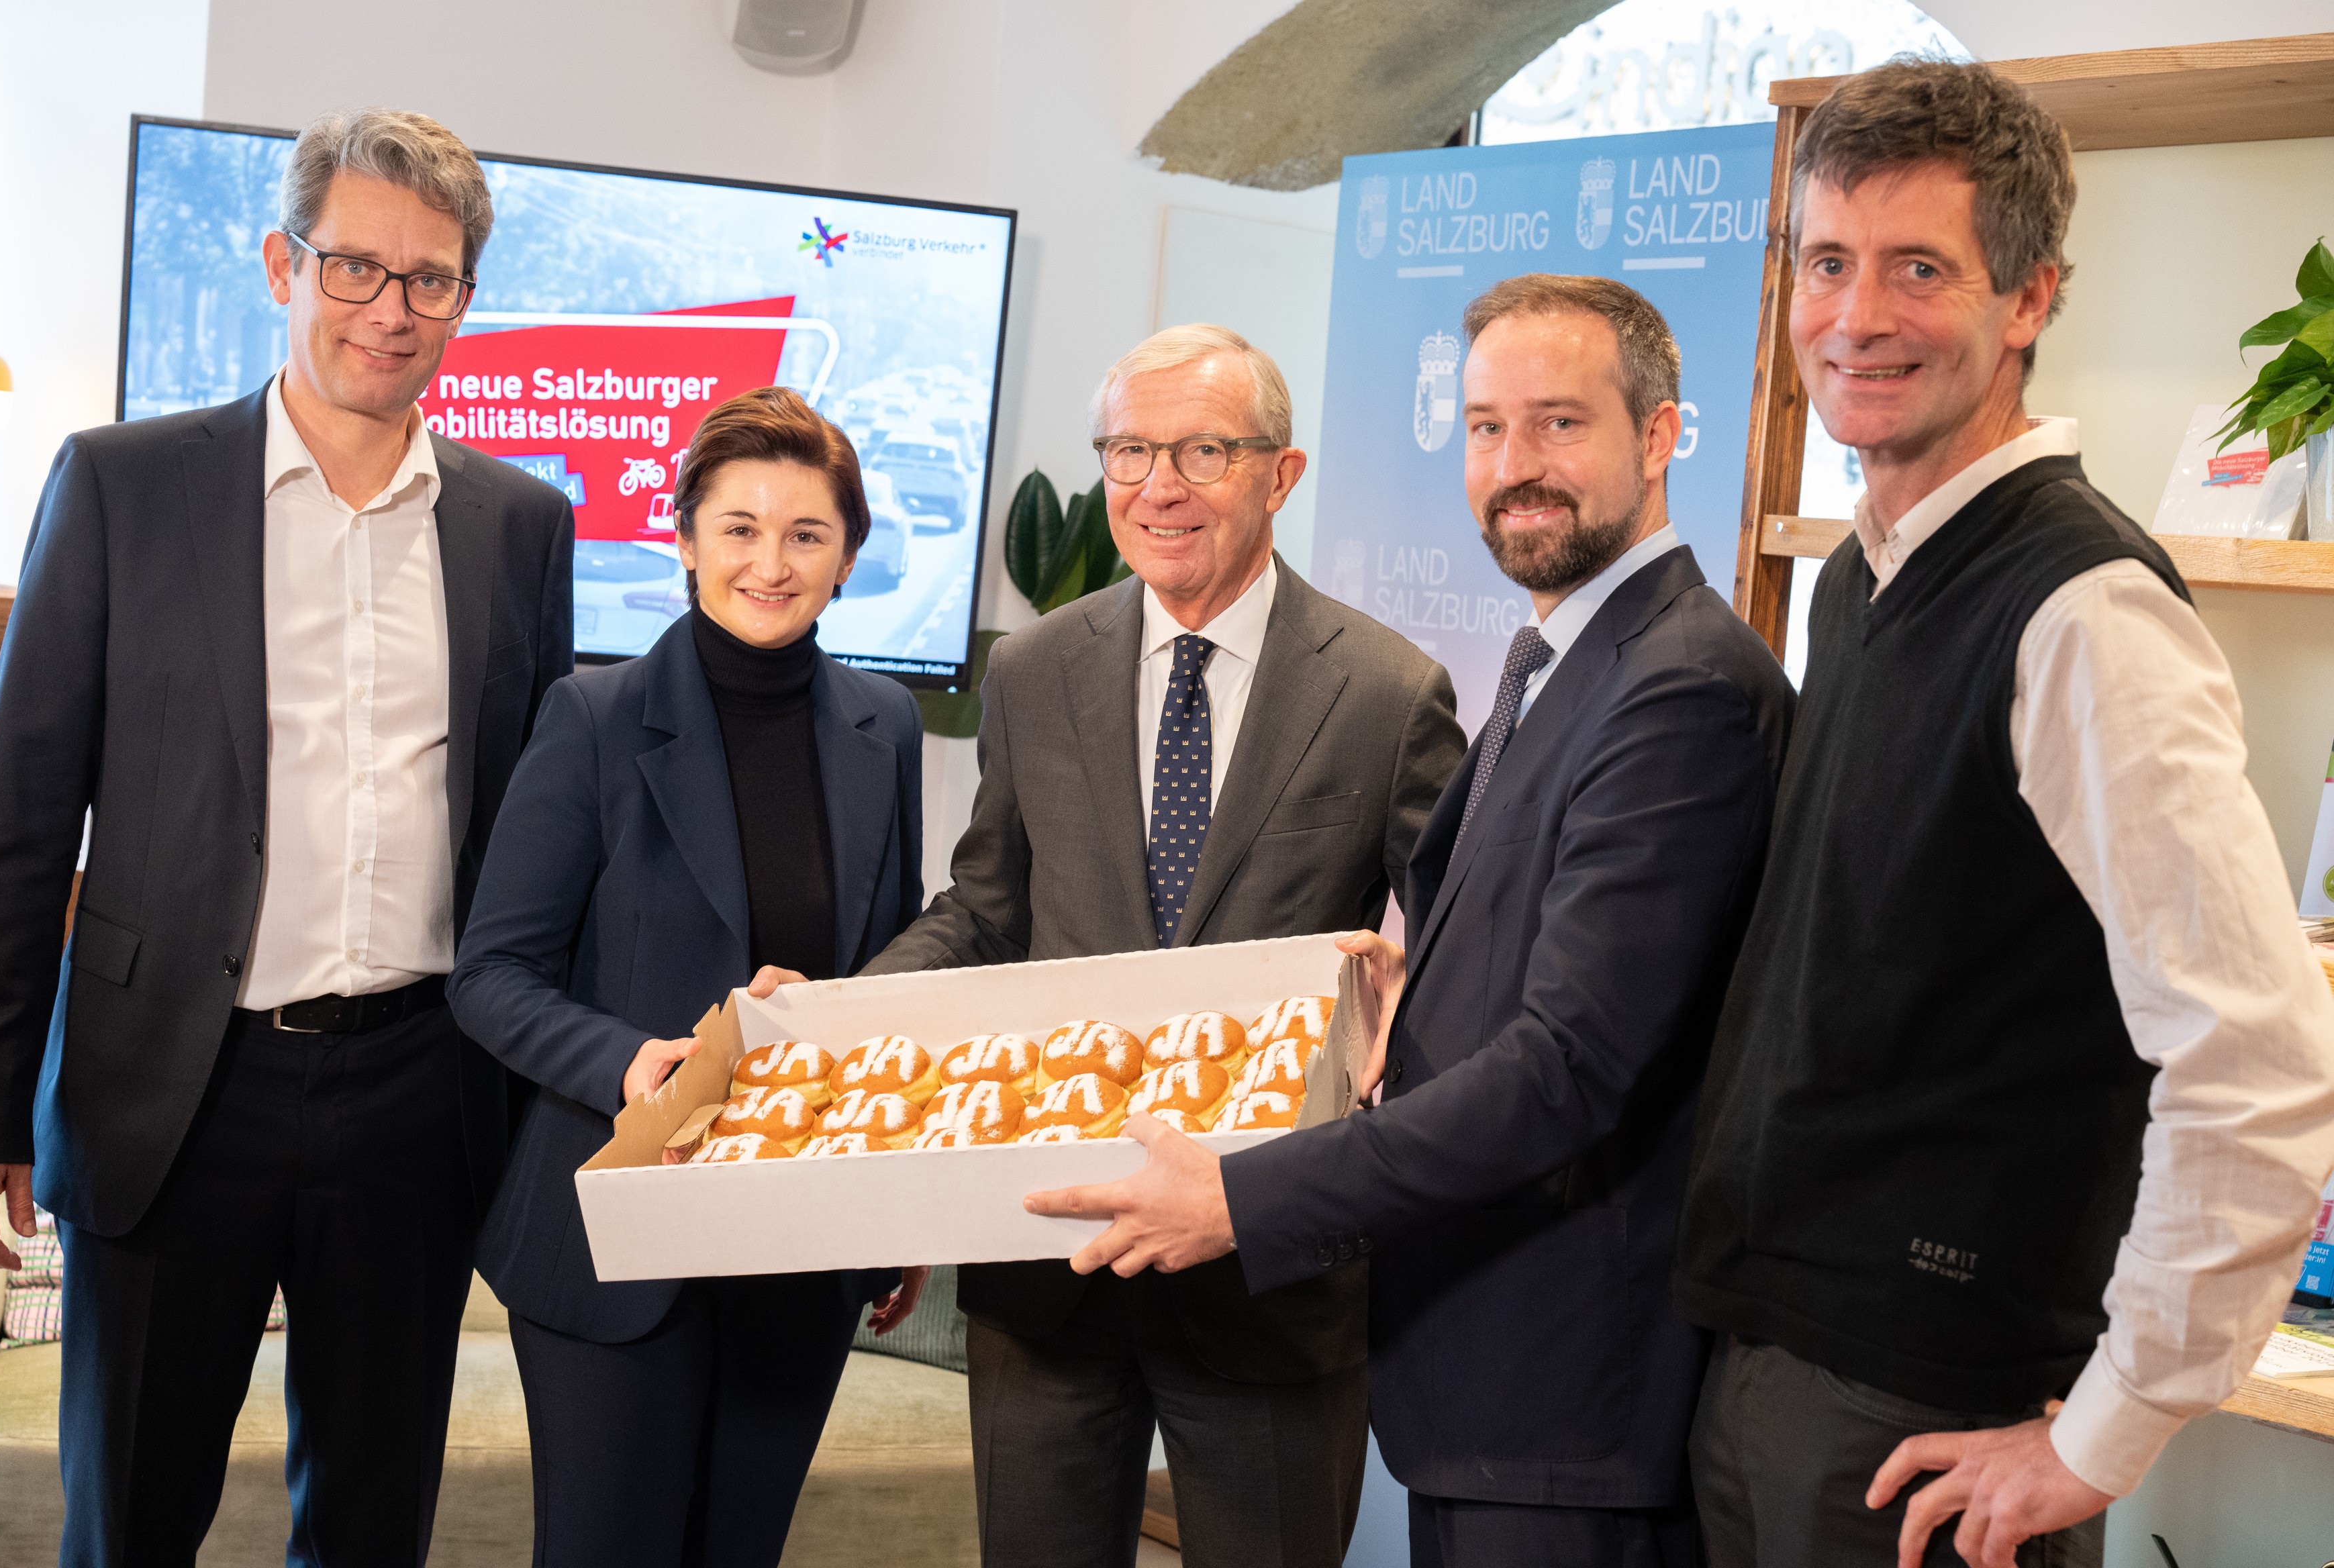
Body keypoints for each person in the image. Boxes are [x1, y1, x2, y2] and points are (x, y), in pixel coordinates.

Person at [1668, 58, 2334, 1568]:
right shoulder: (1862, 574)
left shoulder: (2085, 611)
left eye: (1920, 268)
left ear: (2029, 298)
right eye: (1827, 263)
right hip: (1777, 1362)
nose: (1856, 316)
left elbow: (2259, 1060)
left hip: (1924, 1409)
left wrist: (2102, 1435)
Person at [1028, 277, 1796, 1568]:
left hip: (1566, 1392)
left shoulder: (1681, 688)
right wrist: (1410, 988)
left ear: (1662, 436)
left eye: (1560, 423)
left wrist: (1242, 1197)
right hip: (1490, 1376)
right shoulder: (1567, 660)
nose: (1515, 464)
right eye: (1488, 428)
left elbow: (1571, 1067)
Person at [0, 109, 573, 1562]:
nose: (391, 309)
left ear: (466, 298)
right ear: (279, 265)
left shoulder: (521, 524)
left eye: (430, 279)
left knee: (372, 1524)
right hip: (174, 1089)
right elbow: (20, 819)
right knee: (130, 1520)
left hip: (419, 1094)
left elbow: (532, 835)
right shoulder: (122, 485)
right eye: (354, 266)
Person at [831, 323, 1465, 1566]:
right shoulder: (1035, 669)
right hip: (1047, 1261)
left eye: (1203, 451)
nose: (1159, 486)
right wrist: (835, 1022)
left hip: (1268, 1273)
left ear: (1280, 474)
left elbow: (1453, 957)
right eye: (1129, 451)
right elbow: (984, 914)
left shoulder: (1389, 692)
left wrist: (1392, 1049)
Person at [447, 386, 928, 1566]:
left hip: (799, 1241)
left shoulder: (886, 727)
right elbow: (491, 973)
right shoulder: (593, 717)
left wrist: (906, 1192)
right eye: (740, 529)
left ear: (848, 559)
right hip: (618, 1237)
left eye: (807, 535)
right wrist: (630, 1062)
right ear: (685, 541)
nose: (772, 563)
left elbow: (887, 976)